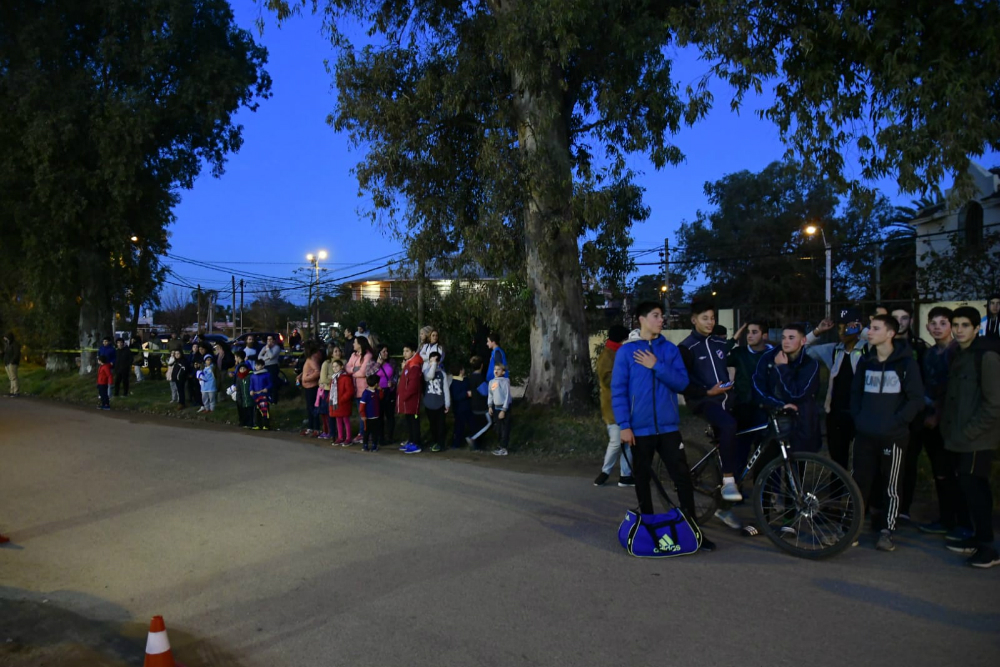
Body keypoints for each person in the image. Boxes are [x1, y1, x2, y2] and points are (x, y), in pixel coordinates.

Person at [611, 301, 715, 552]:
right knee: (643, 479)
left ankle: (693, 531)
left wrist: (655, 364)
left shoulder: (669, 350)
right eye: (656, 316)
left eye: (662, 316)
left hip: (668, 428)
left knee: (682, 478)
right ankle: (647, 530)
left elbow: (681, 383)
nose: (661, 320)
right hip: (639, 429)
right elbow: (618, 391)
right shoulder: (626, 353)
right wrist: (624, 425)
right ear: (641, 319)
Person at [849, 314, 925, 552]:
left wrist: (898, 422)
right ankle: (852, 529)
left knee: (892, 485)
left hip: (893, 435)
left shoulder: (905, 363)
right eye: (870, 328)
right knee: (859, 482)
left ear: (890, 333)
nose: (869, 332)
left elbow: (916, 399)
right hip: (865, 433)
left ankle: (887, 530)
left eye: (875, 328)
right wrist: (859, 419)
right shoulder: (865, 361)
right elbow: (855, 394)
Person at [940, 306, 1000, 568]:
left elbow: (994, 404)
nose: (960, 329)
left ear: (977, 328)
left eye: (966, 325)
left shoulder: (985, 356)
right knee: (970, 487)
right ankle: (979, 538)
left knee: (975, 488)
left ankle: (988, 547)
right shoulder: (960, 355)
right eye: (957, 324)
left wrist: (970, 432)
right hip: (960, 436)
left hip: (978, 438)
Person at [904, 307, 971, 536]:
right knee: (940, 471)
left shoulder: (956, 353)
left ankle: (963, 523)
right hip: (929, 419)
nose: (937, 327)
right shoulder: (930, 353)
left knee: (953, 472)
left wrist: (938, 414)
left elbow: (952, 389)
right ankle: (946, 519)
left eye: (943, 323)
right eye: (933, 323)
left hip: (949, 421)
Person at [679, 302, 739, 502]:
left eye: (712, 318)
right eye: (705, 318)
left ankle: (730, 494)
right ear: (694, 320)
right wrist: (707, 391)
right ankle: (729, 480)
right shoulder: (687, 347)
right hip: (703, 401)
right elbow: (683, 383)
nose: (710, 322)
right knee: (729, 425)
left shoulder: (719, 343)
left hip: (726, 400)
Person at [805, 308, 868, 476]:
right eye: (839, 327)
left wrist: (863, 331)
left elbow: (885, 342)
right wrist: (817, 331)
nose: (842, 332)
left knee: (861, 460)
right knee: (837, 461)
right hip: (836, 414)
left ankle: (856, 498)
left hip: (860, 414)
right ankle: (836, 496)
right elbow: (802, 350)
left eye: (847, 327)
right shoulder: (834, 350)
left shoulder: (868, 349)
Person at [752, 323, 822, 453]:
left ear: (803, 341)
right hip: (771, 419)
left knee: (796, 466)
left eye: (791, 338)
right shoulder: (769, 358)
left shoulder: (810, 364)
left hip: (799, 423)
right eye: (783, 338)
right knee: (768, 465)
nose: (786, 342)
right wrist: (777, 405)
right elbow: (758, 387)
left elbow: (797, 394)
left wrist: (782, 368)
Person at [595, 325, 633, 487]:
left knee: (627, 442)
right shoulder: (608, 356)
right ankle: (605, 472)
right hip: (613, 406)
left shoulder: (613, 353)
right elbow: (608, 381)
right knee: (617, 441)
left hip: (620, 404)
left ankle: (625, 476)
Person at [397, 342, 424, 454]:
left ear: (413, 352)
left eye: (407, 351)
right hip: (406, 400)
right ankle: (412, 440)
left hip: (412, 399)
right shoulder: (409, 364)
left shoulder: (415, 366)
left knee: (414, 421)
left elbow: (413, 385)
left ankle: (416, 443)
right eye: (403, 351)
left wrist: (405, 395)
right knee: (409, 420)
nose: (404, 353)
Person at [348, 336, 375, 443]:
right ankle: (363, 433)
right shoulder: (353, 355)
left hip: (364, 389)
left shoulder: (368, 356)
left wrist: (353, 372)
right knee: (361, 413)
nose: (353, 344)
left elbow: (363, 372)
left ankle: (365, 433)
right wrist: (354, 369)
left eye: (355, 342)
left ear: (360, 344)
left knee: (366, 413)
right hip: (355, 389)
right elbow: (347, 367)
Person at [423, 351, 451, 452]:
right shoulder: (426, 371)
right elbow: (430, 376)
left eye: (434, 361)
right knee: (432, 425)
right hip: (429, 404)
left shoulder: (442, 374)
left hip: (440, 404)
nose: (432, 363)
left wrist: (447, 403)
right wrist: (433, 365)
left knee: (441, 426)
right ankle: (435, 442)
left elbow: (446, 390)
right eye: (430, 361)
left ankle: (441, 443)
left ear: (439, 362)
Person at [465, 355, 491, 450]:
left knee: (478, 425)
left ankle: (477, 443)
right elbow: (484, 392)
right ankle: (473, 438)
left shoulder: (471, 377)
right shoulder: (480, 378)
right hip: (482, 406)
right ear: (482, 366)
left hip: (473, 405)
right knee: (488, 423)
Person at [297, 346, 323, 436]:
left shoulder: (312, 359)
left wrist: (307, 378)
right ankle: (311, 427)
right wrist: (301, 376)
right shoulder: (310, 359)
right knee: (309, 408)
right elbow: (307, 370)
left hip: (311, 386)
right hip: (308, 386)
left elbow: (317, 371)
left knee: (313, 408)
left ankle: (316, 428)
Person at [487, 362, 512, 456]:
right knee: (498, 428)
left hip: (504, 408)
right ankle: (500, 445)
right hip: (496, 407)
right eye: (495, 369)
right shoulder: (492, 382)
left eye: (499, 369)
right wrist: (490, 406)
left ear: (503, 372)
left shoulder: (505, 381)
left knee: (505, 428)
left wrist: (504, 410)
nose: (496, 371)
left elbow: (507, 396)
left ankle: (504, 447)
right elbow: (491, 394)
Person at [329, 359, 355, 444]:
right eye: (333, 366)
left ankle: (348, 437)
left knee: (345, 420)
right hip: (336, 402)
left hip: (343, 403)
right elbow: (332, 390)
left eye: (337, 366)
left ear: (341, 367)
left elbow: (349, 391)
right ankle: (340, 437)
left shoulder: (345, 378)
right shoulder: (334, 378)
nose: (335, 368)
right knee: (338, 420)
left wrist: (342, 399)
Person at [375, 345, 397, 443]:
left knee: (390, 415)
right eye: (384, 351)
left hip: (389, 391)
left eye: (387, 351)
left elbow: (396, 374)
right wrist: (378, 364)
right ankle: (380, 437)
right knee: (379, 416)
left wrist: (393, 382)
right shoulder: (373, 362)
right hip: (378, 392)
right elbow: (368, 374)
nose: (386, 353)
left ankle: (390, 437)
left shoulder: (391, 362)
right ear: (379, 352)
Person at [449, 362, 473, 449]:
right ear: (460, 371)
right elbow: (456, 396)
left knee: (471, 425)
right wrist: (466, 394)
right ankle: (456, 444)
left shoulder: (465, 380)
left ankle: (473, 441)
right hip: (459, 409)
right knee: (459, 427)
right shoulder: (454, 383)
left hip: (467, 407)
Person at [359, 375, 384, 452]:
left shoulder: (377, 391)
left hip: (376, 416)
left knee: (375, 432)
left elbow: (381, 397)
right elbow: (362, 406)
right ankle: (365, 445)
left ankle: (374, 445)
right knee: (366, 432)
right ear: (376, 384)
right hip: (368, 417)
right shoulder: (366, 393)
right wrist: (363, 415)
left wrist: (380, 390)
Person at [232, 351, 255, 428]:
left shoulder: (248, 373)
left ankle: (248, 422)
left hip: (247, 395)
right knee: (241, 406)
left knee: (248, 409)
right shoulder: (239, 375)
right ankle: (243, 422)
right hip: (240, 392)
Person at [317, 346, 335, 439]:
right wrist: (333, 378)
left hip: (336, 391)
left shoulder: (343, 363)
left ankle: (333, 431)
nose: (338, 353)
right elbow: (323, 379)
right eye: (335, 351)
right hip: (327, 390)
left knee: (334, 413)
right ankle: (327, 430)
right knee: (326, 412)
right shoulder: (326, 363)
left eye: (339, 351)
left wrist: (330, 377)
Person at [259, 335, 283, 404]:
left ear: (274, 340)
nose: (268, 341)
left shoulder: (276, 348)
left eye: (270, 339)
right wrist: (266, 358)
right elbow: (259, 356)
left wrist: (268, 349)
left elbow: (271, 356)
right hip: (265, 366)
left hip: (273, 366)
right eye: (267, 339)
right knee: (265, 382)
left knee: (273, 383)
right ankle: (266, 398)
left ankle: (274, 400)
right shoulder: (264, 347)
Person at [250, 358, 273, 430]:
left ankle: (266, 425)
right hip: (256, 396)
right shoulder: (253, 375)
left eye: (258, 365)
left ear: (263, 366)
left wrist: (267, 388)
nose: (257, 367)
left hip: (264, 396)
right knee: (257, 411)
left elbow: (270, 384)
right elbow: (251, 385)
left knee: (265, 410)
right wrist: (250, 390)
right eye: (256, 365)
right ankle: (258, 424)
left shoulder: (267, 374)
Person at [3, 332, 21, 397]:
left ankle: (16, 391)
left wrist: (12, 361)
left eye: (5, 337)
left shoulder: (15, 344)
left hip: (12, 363)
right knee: (11, 378)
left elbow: (16, 354)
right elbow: (6, 353)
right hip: (7, 363)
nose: (4, 339)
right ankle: (12, 391)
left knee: (14, 377)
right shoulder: (7, 345)